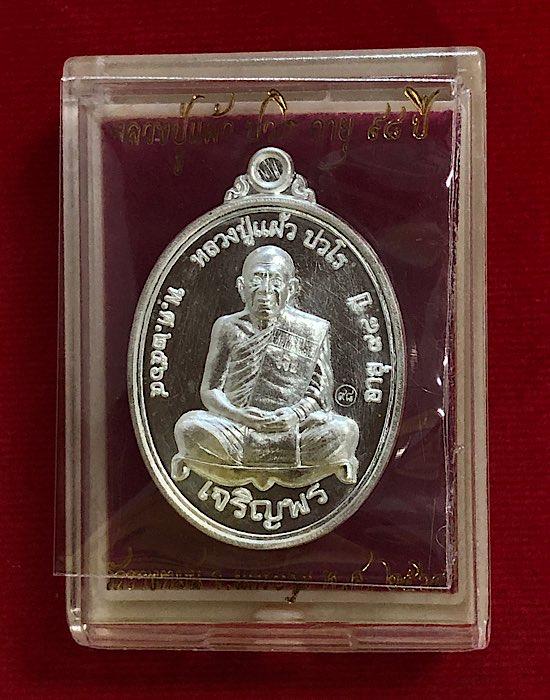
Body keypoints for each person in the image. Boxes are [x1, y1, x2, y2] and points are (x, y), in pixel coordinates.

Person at [171, 245, 359, 490]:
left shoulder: (311, 329)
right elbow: (210, 391)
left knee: (345, 429)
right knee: (187, 427)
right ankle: (279, 461)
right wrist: (239, 415)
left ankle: (255, 460)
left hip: (292, 430)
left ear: (292, 288)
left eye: (275, 281)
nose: (265, 290)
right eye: (257, 279)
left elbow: (320, 392)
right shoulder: (227, 327)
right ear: (242, 286)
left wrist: (294, 415)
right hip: (237, 429)